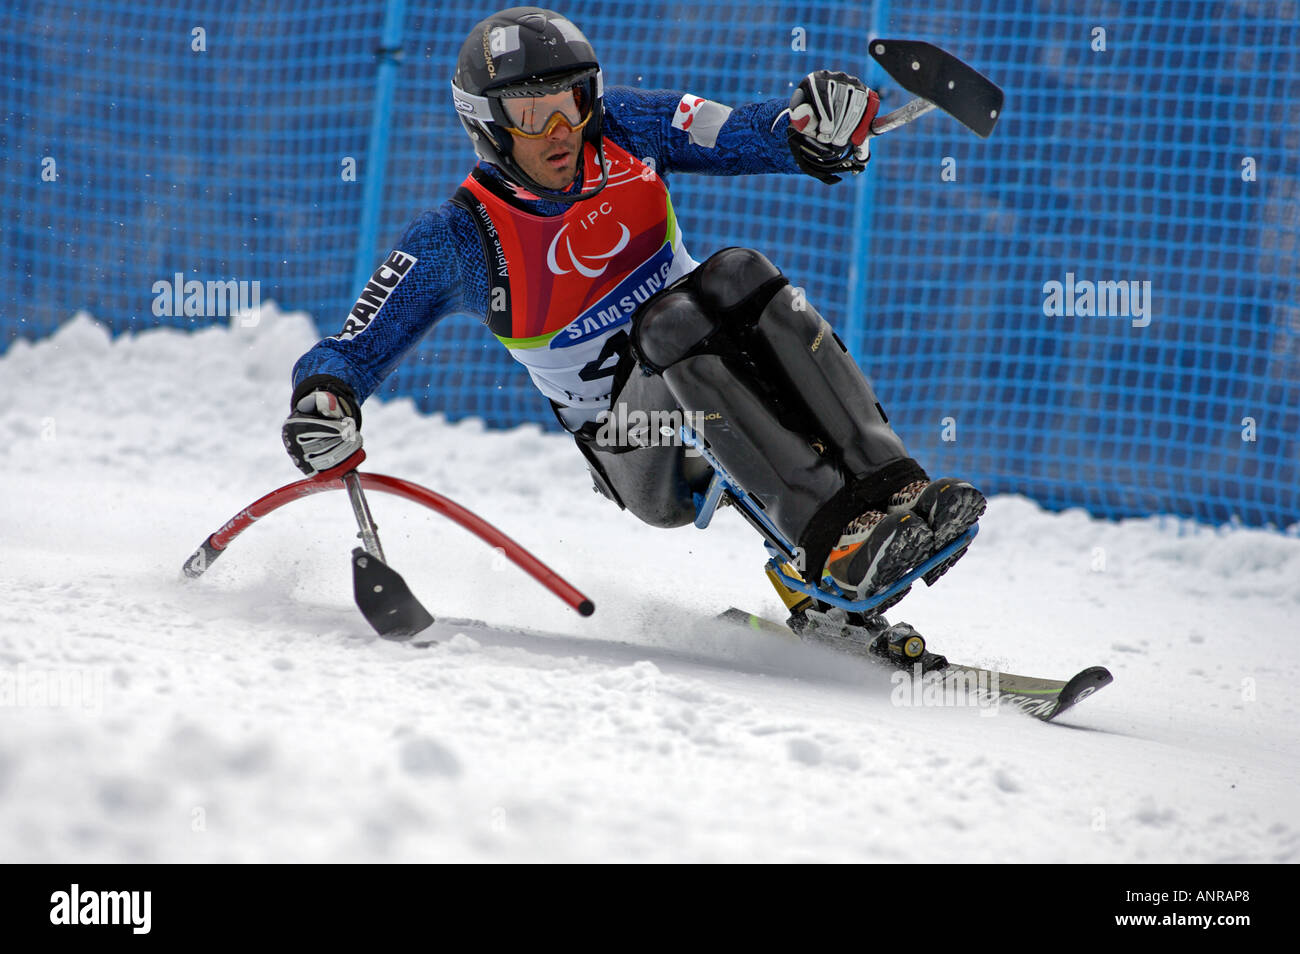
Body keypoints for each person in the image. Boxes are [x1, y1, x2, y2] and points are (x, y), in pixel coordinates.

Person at [282, 5, 985, 611]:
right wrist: (324, 398)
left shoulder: (628, 129)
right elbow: (350, 349)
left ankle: (895, 494)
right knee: (672, 320)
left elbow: (745, 131)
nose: (560, 130)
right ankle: (830, 545)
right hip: (645, 460)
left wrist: (812, 127)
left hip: (718, 377)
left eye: (572, 102)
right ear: (488, 125)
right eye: (532, 115)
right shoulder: (460, 238)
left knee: (740, 269)